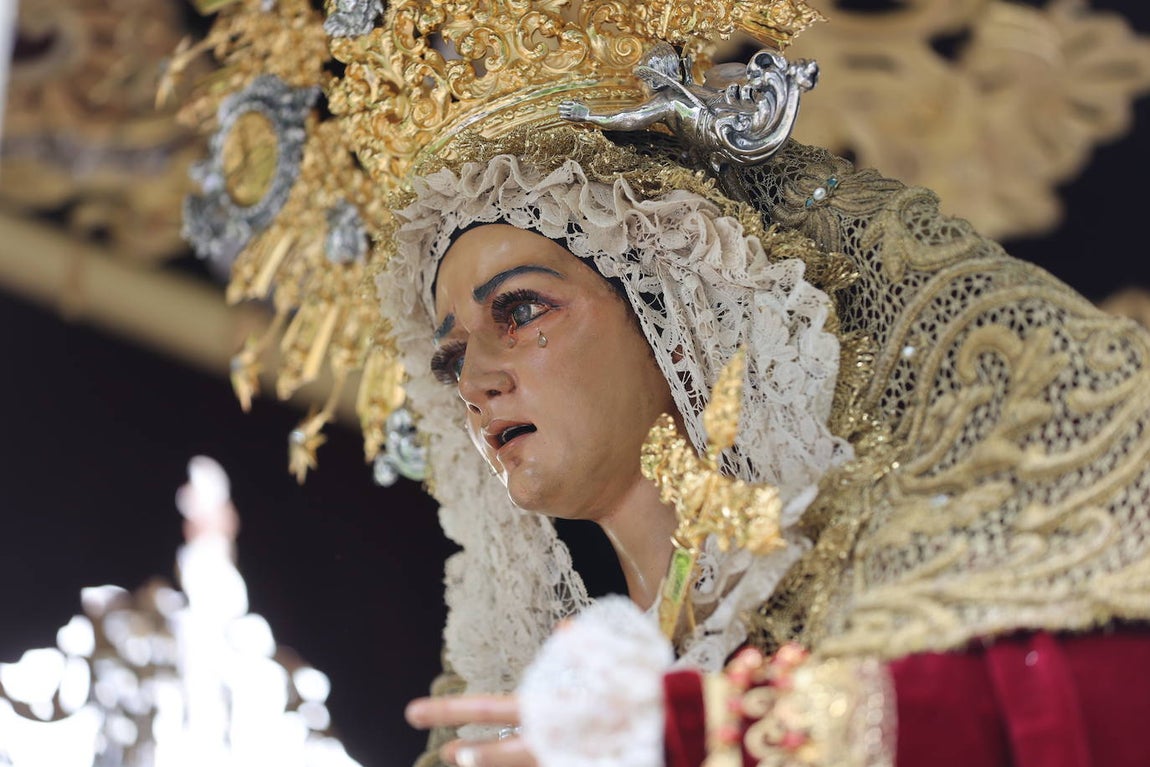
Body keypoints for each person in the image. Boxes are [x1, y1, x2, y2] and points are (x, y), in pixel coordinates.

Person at [175, 1, 1150, 765]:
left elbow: (1105, 703)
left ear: (671, 307)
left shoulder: (874, 563)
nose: (473, 378)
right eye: (447, 353)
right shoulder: (547, 682)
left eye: (519, 310)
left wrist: (708, 735)